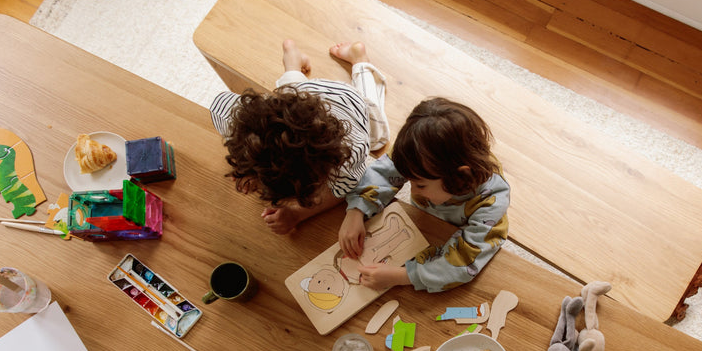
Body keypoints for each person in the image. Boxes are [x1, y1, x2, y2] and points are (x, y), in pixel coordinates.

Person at [209, 39, 389, 235]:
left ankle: (360, 61)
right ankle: (292, 57)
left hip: (349, 101)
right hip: (303, 97)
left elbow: (341, 191)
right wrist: (249, 169)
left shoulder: (350, 156)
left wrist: (298, 214)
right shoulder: (251, 115)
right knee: (292, 88)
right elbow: (219, 105)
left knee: (379, 140)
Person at [338, 97, 510, 293]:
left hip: (453, 238)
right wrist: (356, 211)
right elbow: (383, 172)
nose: (411, 190)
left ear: (460, 178)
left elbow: (464, 262)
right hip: (423, 224)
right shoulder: (419, 153)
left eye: (420, 184)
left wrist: (401, 277)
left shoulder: (491, 203)